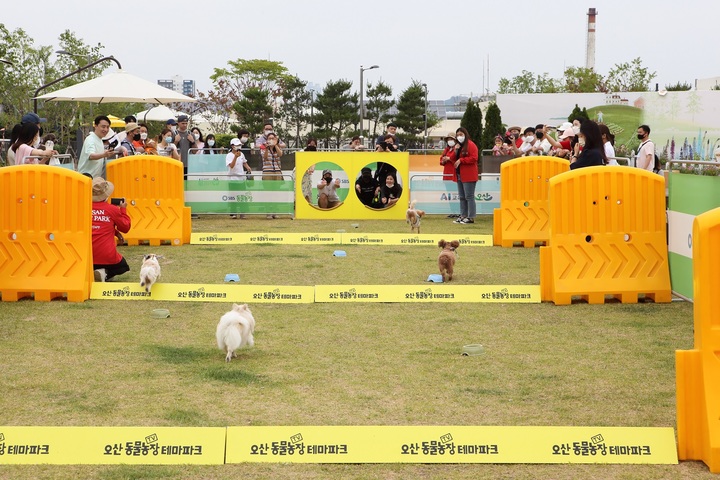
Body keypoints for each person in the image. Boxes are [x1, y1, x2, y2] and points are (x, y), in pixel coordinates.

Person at [91, 177, 131, 282]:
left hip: (86, 255)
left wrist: (115, 232)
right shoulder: (112, 209)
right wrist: (123, 209)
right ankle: (104, 274)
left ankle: (93, 272)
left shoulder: (83, 208)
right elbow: (125, 227)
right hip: (106, 255)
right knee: (123, 266)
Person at [452, 127, 479, 224]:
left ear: (465, 134)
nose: (459, 137)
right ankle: (463, 215)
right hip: (460, 174)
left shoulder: (471, 145)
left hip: (469, 175)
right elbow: (452, 158)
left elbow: (474, 158)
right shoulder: (458, 146)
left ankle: (471, 217)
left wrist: (461, 160)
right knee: (462, 196)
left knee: (469, 196)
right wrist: (455, 150)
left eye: (461, 134)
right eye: (458, 135)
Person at [260, 131, 283, 219]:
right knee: (268, 192)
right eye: (269, 138)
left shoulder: (278, 148)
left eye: (273, 138)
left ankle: (275, 211)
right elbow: (265, 158)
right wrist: (267, 148)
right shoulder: (263, 148)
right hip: (267, 172)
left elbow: (280, 154)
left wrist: (276, 145)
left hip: (277, 172)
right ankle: (268, 212)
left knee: (276, 192)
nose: (271, 140)